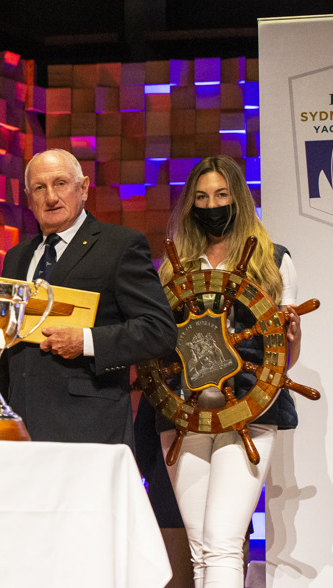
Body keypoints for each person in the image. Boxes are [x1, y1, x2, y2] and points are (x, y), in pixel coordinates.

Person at [157, 155, 301, 588]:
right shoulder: (174, 264)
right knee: (202, 548)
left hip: (250, 412)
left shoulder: (274, 260)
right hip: (184, 413)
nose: (212, 205)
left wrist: (291, 333)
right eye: (201, 197)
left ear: (238, 198)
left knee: (221, 541)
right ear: (190, 205)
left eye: (221, 195)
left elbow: (286, 360)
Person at [0, 148, 177, 445]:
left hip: (89, 427)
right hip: (19, 429)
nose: (51, 197)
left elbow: (159, 330)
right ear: (29, 199)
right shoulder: (16, 257)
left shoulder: (120, 246)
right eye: (40, 188)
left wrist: (87, 341)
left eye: (60, 184)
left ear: (83, 189)